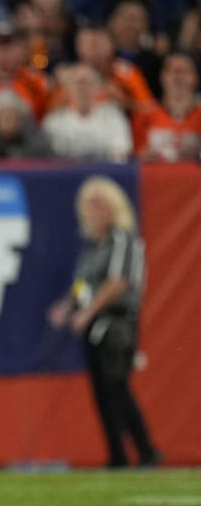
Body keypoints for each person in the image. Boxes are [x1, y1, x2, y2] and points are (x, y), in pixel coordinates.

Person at [47, 176, 160, 469]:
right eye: (90, 205)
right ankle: (117, 456)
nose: (95, 212)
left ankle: (146, 450)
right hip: (94, 324)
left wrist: (86, 312)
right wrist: (67, 306)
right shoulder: (92, 244)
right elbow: (83, 284)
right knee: (101, 392)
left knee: (117, 387)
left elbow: (117, 281)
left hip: (115, 322)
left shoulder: (121, 238)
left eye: (101, 205)